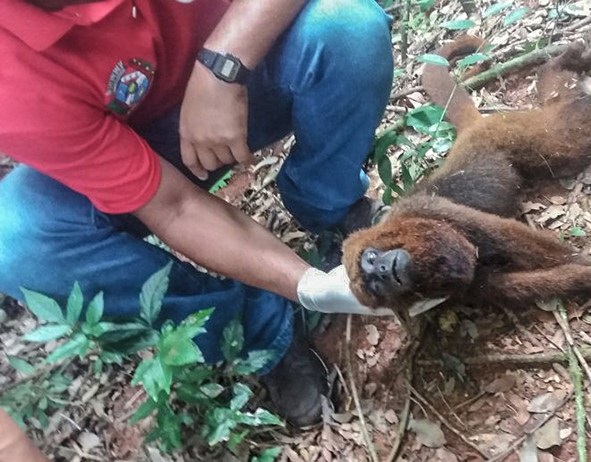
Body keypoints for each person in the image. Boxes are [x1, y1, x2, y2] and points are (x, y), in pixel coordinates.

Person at [0, 0, 395, 444]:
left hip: (253, 64)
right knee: (15, 237)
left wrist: (224, 62)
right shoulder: (8, 71)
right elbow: (173, 206)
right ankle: (260, 331)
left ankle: (330, 202)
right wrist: (310, 286)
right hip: (132, 148)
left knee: (346, 27)